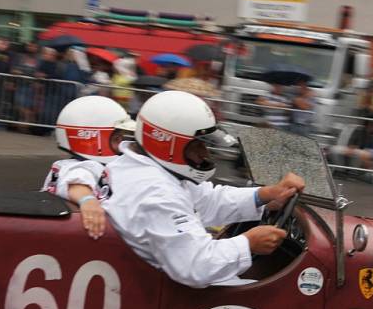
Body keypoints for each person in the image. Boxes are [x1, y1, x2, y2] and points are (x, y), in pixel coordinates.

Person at [100, 90, 305, 288]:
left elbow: (206, 200)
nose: (205, 153)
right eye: (197, 145)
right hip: (167, 290)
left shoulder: (140, 169)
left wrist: (264, 196)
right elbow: (195, 266)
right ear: (168, 144)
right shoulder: (156, 193)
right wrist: (248, 243)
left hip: (156, 277)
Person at [43, 96, 135, 239]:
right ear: (92, 138)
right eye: (117, 139)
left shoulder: (66, 166)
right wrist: (88, 201)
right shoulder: (86, 167)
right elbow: (76, 184)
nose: (122, 145)